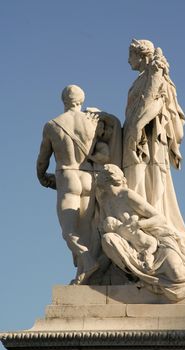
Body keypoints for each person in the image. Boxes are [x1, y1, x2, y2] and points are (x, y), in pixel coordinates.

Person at [95, 164, 185, 310]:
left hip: (158, 240)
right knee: (108, 239)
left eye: (99, 176)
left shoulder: (126, 195)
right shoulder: (105, 202)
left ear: (107, 178)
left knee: (176, 272)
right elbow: (108, 229)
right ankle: (134, 276)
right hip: (133, 245)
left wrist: (139, 225)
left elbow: (159, 219)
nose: (96, 178)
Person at [37, 85, 121, 284]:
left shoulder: (52, 125)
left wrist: (41, 176)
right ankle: (86, 274)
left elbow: (43, 159)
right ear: (81, 100)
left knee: (69, 231)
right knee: (90, 230)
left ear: (64, 100)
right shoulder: (93, 122)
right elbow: (105, 149)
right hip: (90, 177)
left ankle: (86, 260)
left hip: (68, 176)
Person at [123, 39, 185, 237]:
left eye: (130, 55)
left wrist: (136, 127)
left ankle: (154, 216)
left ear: (140, 55)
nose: (128, 61)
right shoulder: (144, 76)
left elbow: (153, 102)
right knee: (138, 176)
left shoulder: (154, 72)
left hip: (150, 136)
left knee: (151, 173)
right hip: (139, 132)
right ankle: (142, 215)